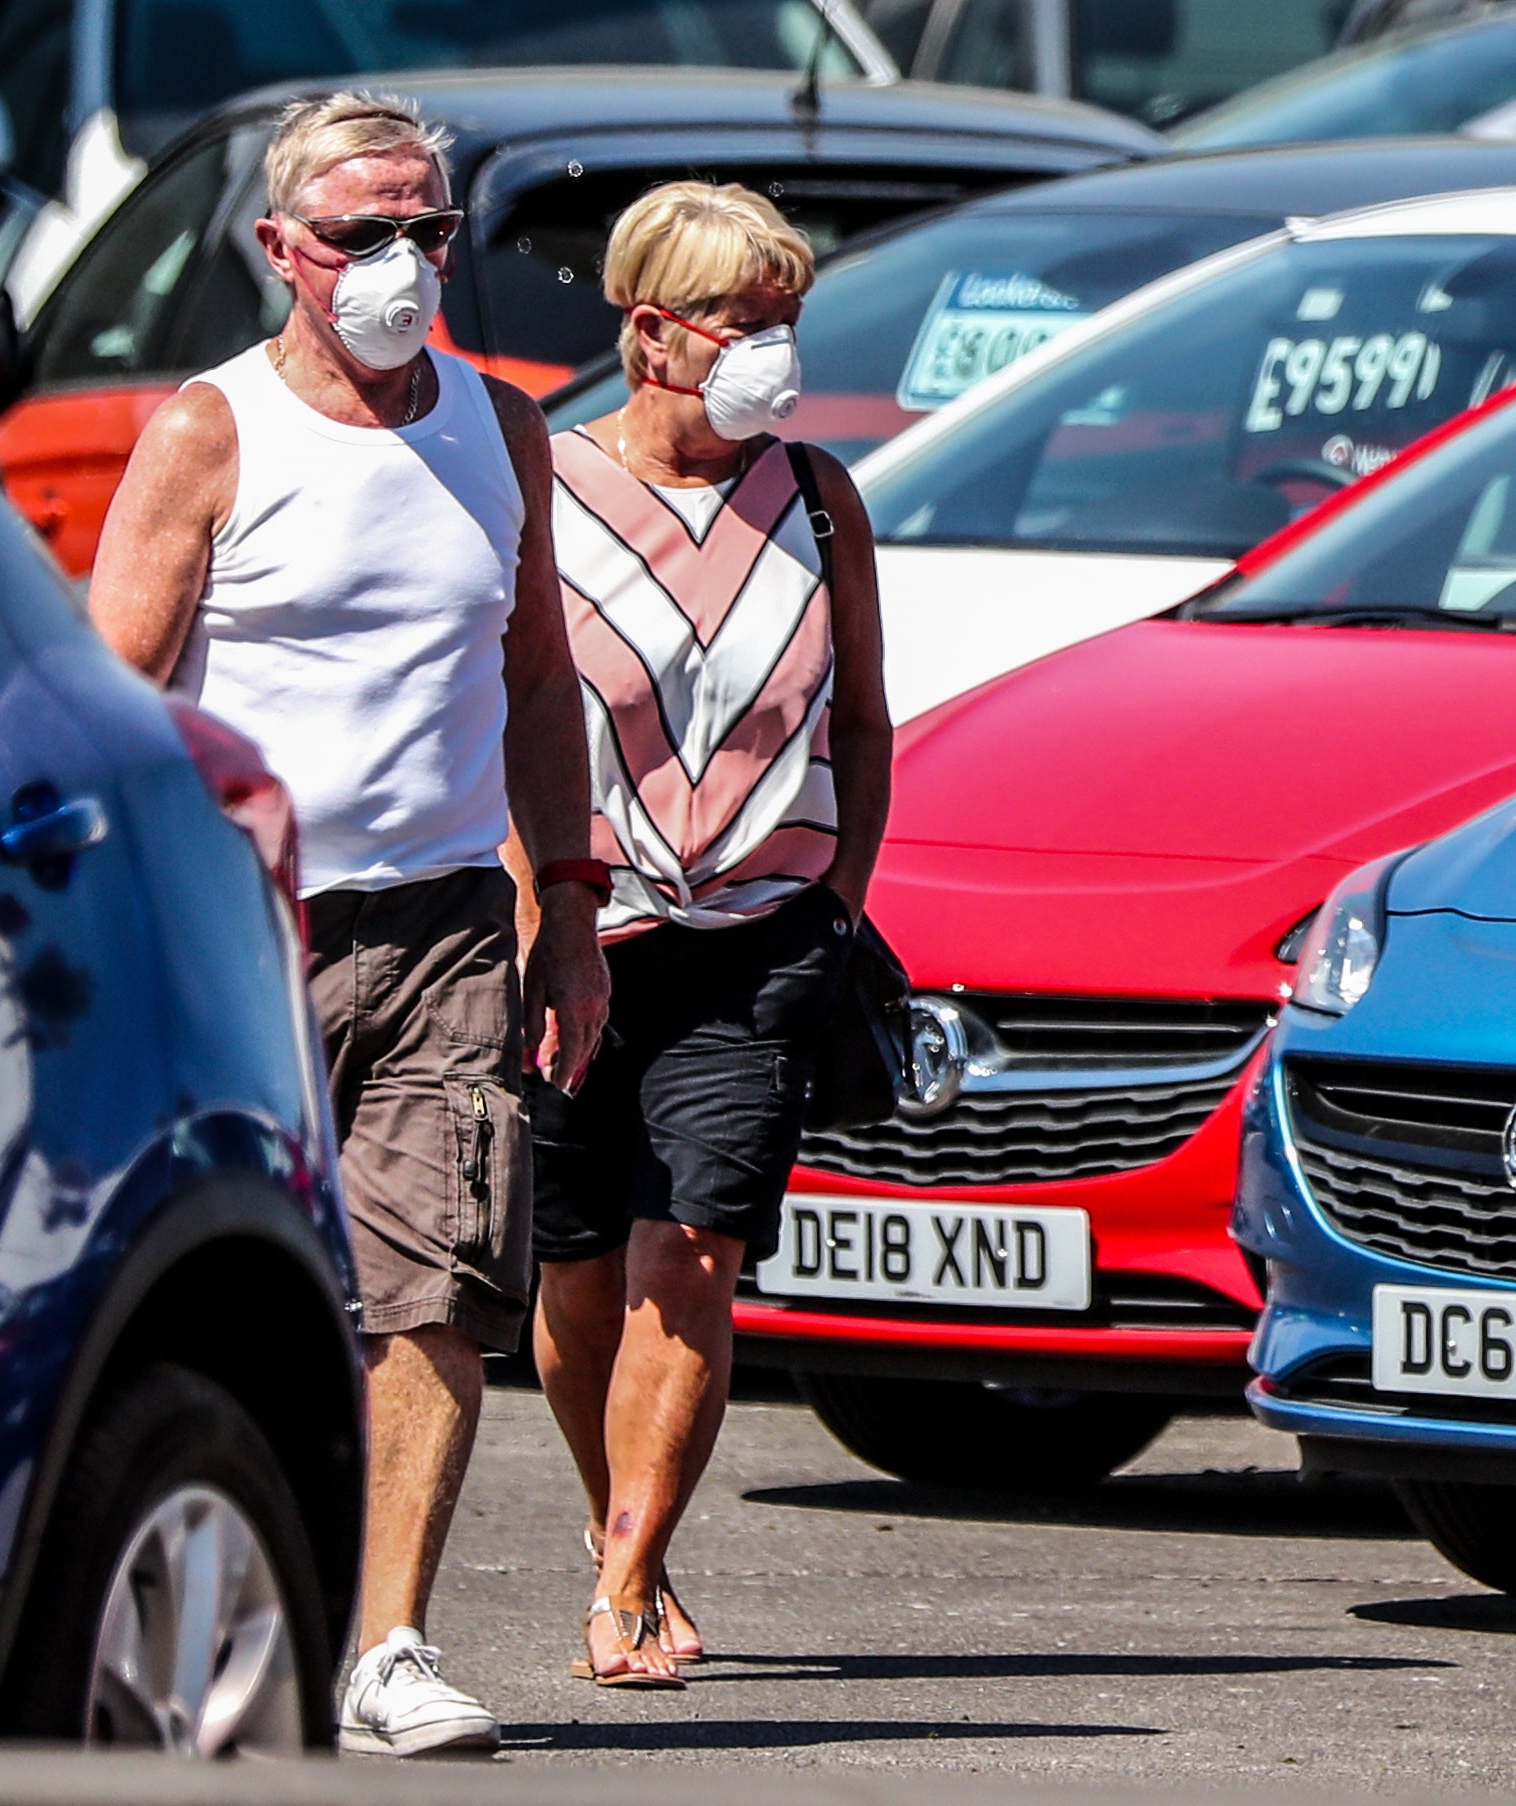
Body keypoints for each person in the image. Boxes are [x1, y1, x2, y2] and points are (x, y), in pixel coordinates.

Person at [86, 92, 611, 1755]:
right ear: (281, 252)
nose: (398, 264)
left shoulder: (499, 429)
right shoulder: (209, 434)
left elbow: (538, 679)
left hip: (452, 923)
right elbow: (117, 703)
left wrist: (572, 901)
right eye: (360, 234)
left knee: (436, 1286)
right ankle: (219, 1604)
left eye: (427, 232)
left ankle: (386, 1641)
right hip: (252, 934)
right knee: (228, 1285)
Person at [526, 181, 889, 1687]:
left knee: (694, 1243)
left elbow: (864, 716)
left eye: (785, 321)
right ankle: (631, 1532)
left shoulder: (815, 496)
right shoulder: (537, 485)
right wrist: (542, 905)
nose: (770, 353)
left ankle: (620, 1578)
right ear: (651, 331)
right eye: (743, 323)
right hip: (573, 930)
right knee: (575, 1275)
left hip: (758, 935)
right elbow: (496, 712)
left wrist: (842, 892)